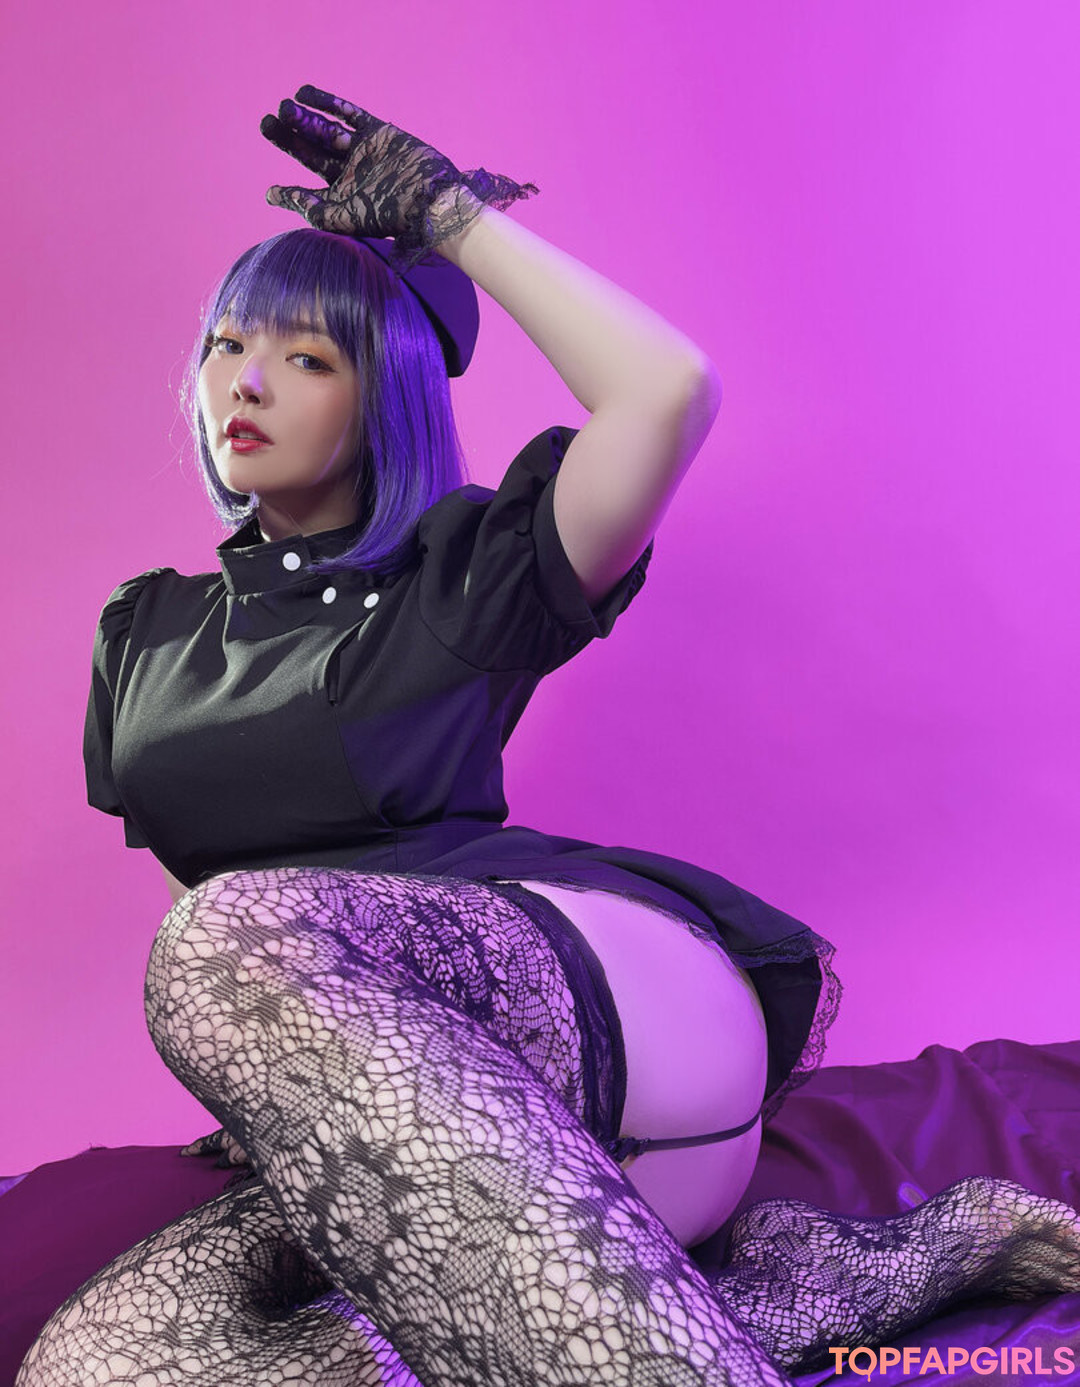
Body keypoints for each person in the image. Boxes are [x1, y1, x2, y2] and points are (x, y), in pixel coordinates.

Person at [18, 85, 1080, 1387]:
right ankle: (816, 1281)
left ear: (387, 395)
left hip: (612, 1019)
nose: (245, 378)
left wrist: (449, 220)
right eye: (227, 342)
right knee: (103, 1365)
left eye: (308, 357)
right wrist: (282, 1048)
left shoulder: (471, 568)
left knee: (219, 934)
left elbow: (665, 391)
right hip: (424, 1097)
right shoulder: (146, 630)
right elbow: (220, 866)